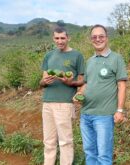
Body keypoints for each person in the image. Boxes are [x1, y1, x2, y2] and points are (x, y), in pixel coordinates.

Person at [74, 24, 127, 165]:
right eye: (94, 37)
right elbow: (86, 83)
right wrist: (78, 94)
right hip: (85, 114)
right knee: (89, 152)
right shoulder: (89, 61)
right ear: (91, 39)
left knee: (103, 156)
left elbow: (121, 85)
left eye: (101, 36)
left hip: (104, 116)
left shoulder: (116, 58)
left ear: (107, 38)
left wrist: (120, 110)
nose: (98, 39)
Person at [39, 26, 85, 165]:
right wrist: (44, 81)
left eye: (62, 38)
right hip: (47, 102)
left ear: (68, 38)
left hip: (64, 103)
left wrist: (70, 82)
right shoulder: (49, 55)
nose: (60, 41)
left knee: (65, 141)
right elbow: (42, 82)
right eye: (57, 38)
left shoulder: (77, 56)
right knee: (48, 141)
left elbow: (82, 81)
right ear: (53, 39)